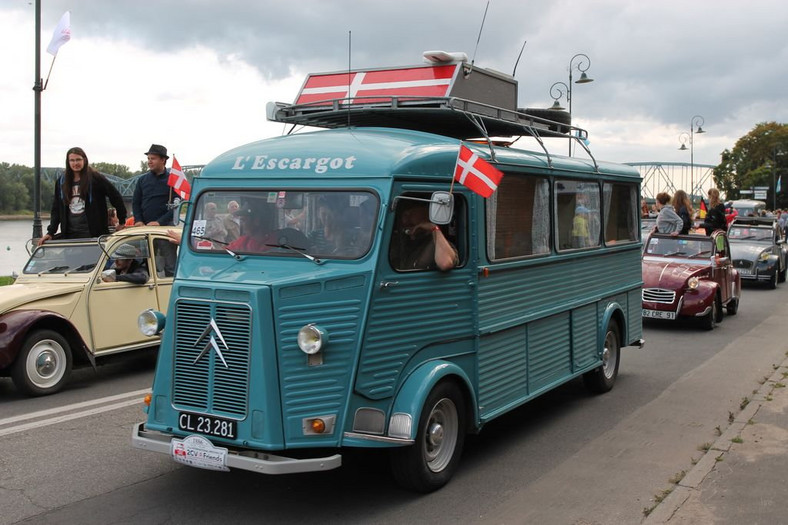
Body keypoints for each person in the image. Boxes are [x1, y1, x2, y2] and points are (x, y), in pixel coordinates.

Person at [39, 147, 127, 245]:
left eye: (78, 160)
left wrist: (122, 221)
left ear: (84, 160)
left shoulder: (96, 178)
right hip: (70, 234)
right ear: (68, 162)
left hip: (93, 234)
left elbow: (115, 196)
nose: (75, 163)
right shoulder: (61, 181)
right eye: (72, 160)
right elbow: (56, 208)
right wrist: (51, 232)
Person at [389, 199, 458, 271]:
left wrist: (434, 228)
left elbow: (445, 264)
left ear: (426, 212)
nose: (405, 220)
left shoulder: (437, 242)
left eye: (409, 214)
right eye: (403, 216)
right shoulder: (399, 241)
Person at [132, 144, 175, 227]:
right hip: (143, 226)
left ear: (163, 160)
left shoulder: (173, 180)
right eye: (148, 158)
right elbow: (136, 203)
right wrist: (138, 220)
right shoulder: (142, 180)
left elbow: (176, 207)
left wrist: (160, 222)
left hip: (164, 228)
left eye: (153, 159)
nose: (149, 161)